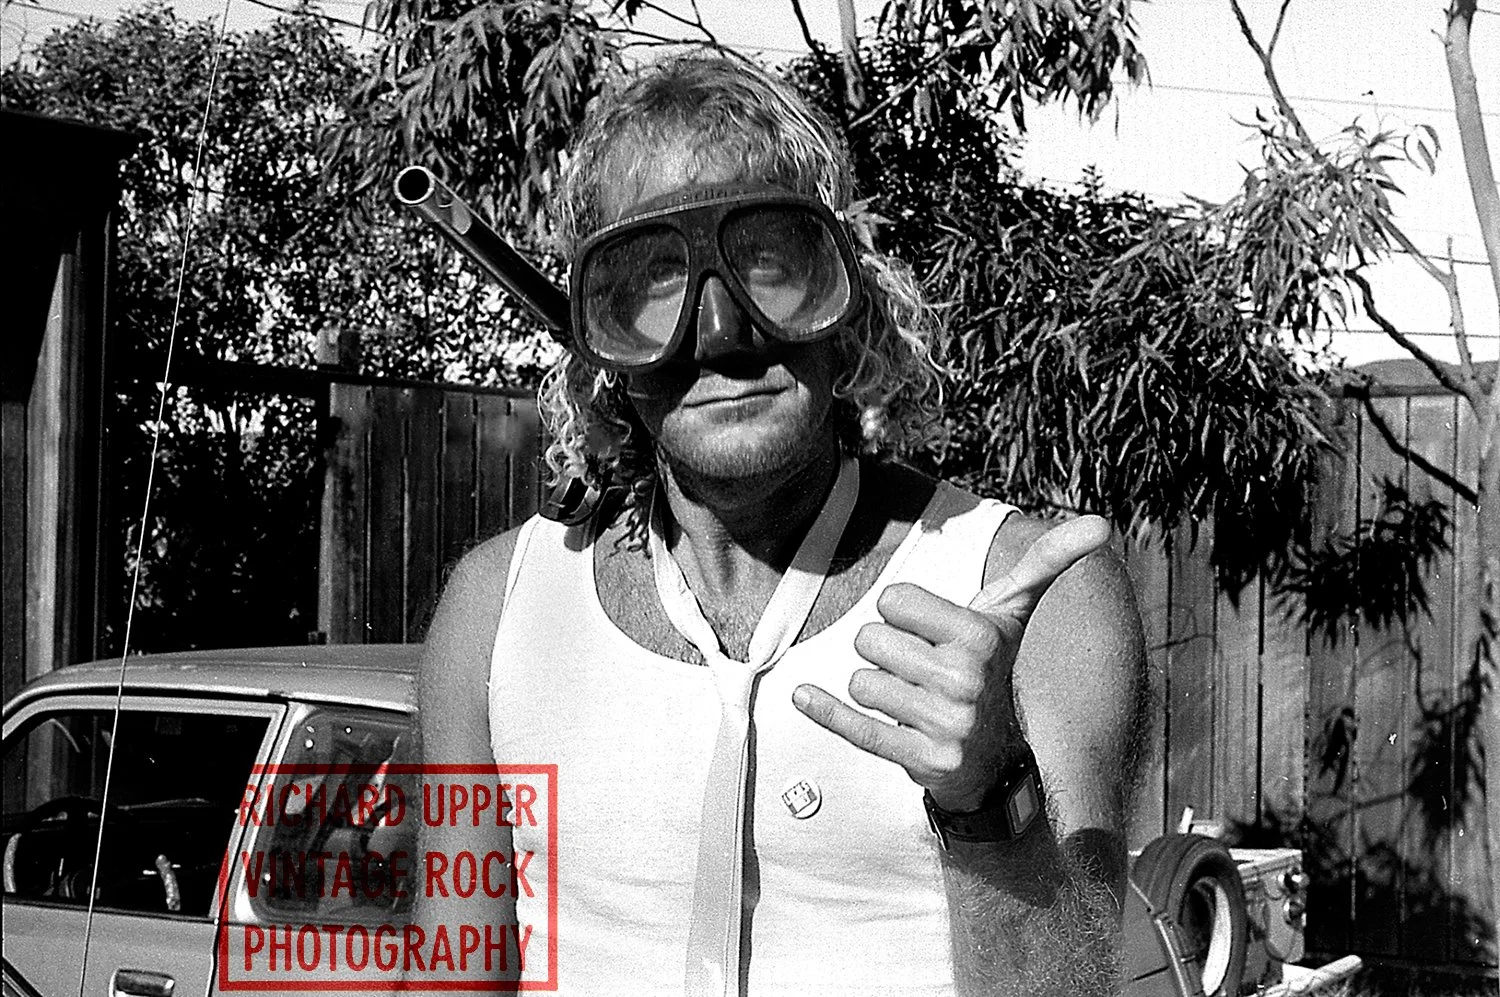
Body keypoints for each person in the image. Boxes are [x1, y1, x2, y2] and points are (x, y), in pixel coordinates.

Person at [417, 53, 1148, 997]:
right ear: (601, 344)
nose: (722, 333)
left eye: (769, 262)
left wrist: (988, 796)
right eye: (654, 281)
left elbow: (1074, 992)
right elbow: (453, 976)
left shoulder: (1030, 599)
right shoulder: (494, 612)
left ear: (848, 303)